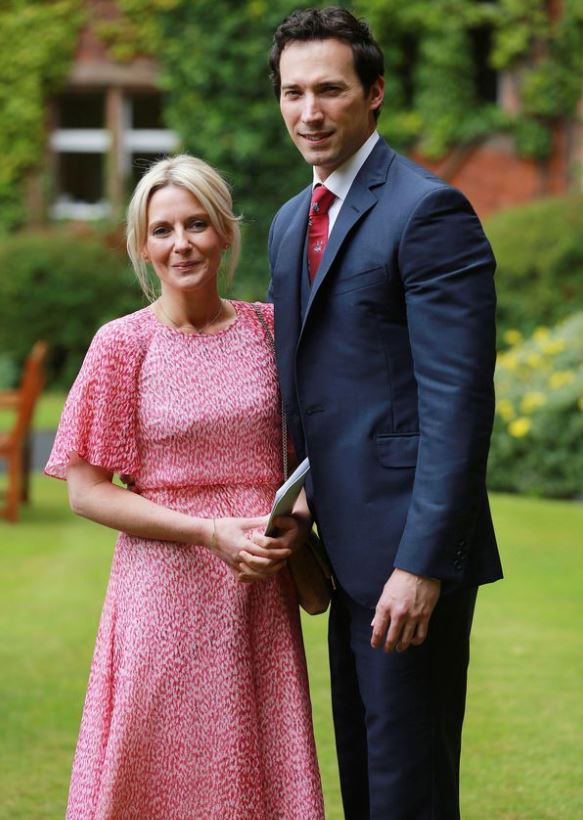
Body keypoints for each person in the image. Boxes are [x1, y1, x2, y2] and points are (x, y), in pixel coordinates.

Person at [267, 7, 503, 819]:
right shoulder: (291, 221)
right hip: (341, 551)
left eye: (328, 89)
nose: (309, 111)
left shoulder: (428, 212)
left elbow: (457, 403)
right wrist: (296, 495)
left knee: (409, 784)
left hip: (409, 557)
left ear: (373, 93)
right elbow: (307, 382)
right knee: (366, 773)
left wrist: (422, 565)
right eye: (293, 92)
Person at [45, 154, 324, 819]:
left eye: (197, 224)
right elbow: (85, 490)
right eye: (162, 229)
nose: (181, 244)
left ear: (225, 232)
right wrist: (207, 532)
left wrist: (301, 514)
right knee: (159, 768)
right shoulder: (121, 345)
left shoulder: (270, 330)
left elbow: (320, 448)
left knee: (253, 764)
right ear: (141, 244)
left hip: (257, 592)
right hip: (161, 592)